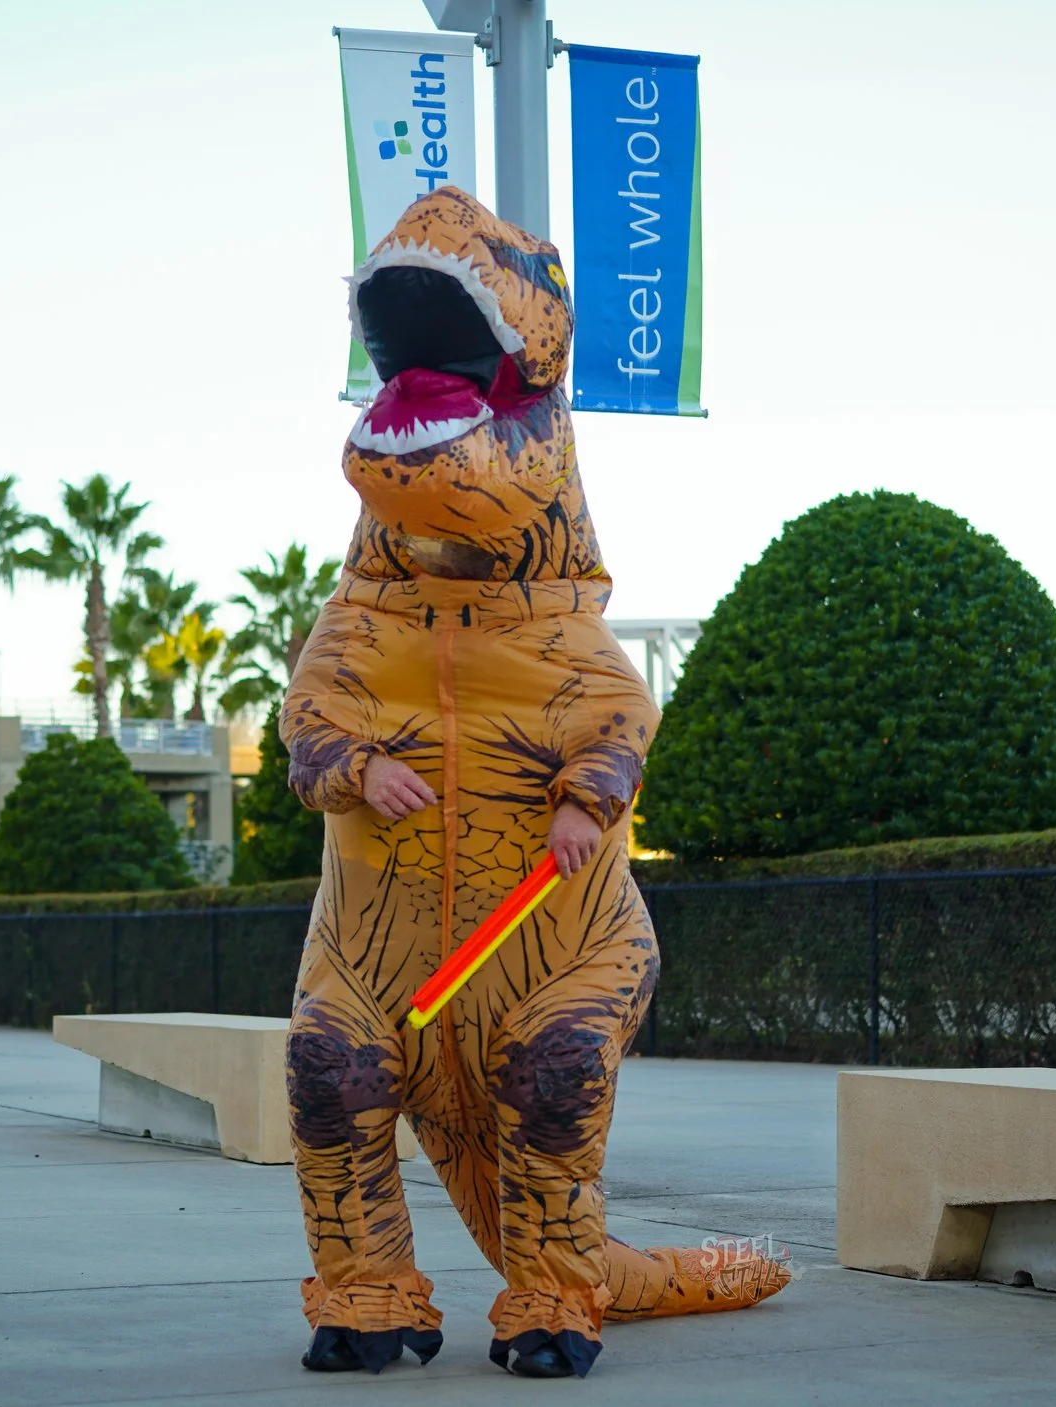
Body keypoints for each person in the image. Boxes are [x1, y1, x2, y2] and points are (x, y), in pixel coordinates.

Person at [280, 185, 789, 1381]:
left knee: (549, 1083)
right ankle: (365, 1296)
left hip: (556, 943)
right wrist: (352, 767)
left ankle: (559, 1298)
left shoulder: (564, 627)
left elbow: (617, 717)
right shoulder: (358, 621)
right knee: (330, 1072)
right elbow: (310, 723)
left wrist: (584, 797)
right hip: (377, 953)